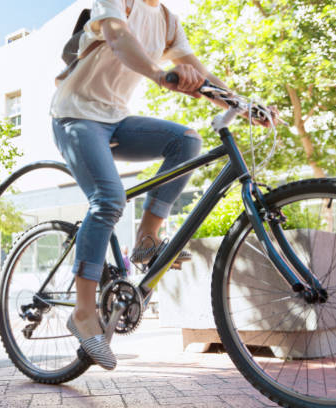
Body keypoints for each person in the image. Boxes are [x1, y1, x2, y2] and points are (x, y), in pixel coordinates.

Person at [51, 0, 277, 370]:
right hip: (75, 115)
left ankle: (147, 238)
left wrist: (246, 105)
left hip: (116, 119)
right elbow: (118, 36)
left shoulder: (168, 21)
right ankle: (83, 313)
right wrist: (159, 74)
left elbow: (200, 75)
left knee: (187, 141)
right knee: (108, 200)